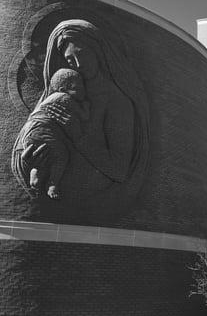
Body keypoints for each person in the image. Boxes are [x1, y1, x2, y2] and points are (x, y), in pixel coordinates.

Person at [11, 19, 149, 201]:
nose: (78, 64)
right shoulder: (59, 94)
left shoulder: (117, 102)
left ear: (97, 50)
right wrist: (29, 160)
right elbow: (32, 131)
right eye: (70, 59)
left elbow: (120, 171)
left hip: (95, 205)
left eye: (82, 54)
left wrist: (78, 135)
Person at [14, 68, 90, 199]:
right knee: (61, 155)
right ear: (62, 89)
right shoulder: (64, 97)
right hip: (42, 130)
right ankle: (52, 183)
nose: (83, 90)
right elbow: (84, 116)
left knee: (43, 154)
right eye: (77, 87)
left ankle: (35, 173)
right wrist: (87, 107)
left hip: (29, 132)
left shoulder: (48, 100)